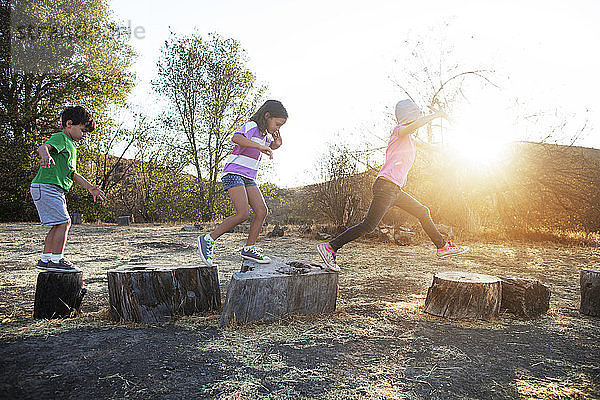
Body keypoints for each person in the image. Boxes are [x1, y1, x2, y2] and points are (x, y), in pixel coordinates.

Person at [317, 99, 469, 272]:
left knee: (422, 211)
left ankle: (442, 247)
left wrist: (448, 147)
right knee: (369, 225)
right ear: (409, 116)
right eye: (416, 115)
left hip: (395, 189)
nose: (418, 118)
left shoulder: (409, 138)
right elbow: (412, 126)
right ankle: (330, 247)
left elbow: (428, 145)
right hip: (386, 186)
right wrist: (436, 115)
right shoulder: (399, 131)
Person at [197, 100, 287, 266]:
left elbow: (271, 146)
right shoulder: (252, 126)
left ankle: (248, 249)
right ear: (267, 115)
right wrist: (260, 147)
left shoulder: (265, 136)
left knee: (261, 211)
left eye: (281, 126)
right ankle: (208, 239)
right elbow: (236, 138)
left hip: (249, 177)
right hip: (234, 173)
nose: (277, 128)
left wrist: (277, 144)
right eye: (277, 123)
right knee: (243, 214)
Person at [31, 105, 106, 272]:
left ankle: (46, 258)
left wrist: (90, 188)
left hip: (51, 188)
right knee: (64, 222)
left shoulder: (71, 146)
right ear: (69, 124)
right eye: (82, 130)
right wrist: (45, 155)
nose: (84, 135)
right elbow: (43, 147)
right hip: (47, 186)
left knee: (58, 224)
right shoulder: (61, 138)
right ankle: (57, 260)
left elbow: (72, 173)